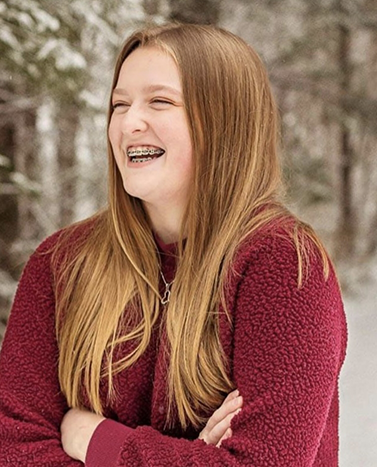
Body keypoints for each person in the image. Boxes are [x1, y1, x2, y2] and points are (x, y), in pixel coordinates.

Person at [0, 23, 347, 466]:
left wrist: (99, 442)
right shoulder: (62, 262)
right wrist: (194, 457)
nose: (129, 122)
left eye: (159, 101)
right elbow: (15, 447)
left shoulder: (284, 264)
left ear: (226, 121)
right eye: (118, 104)